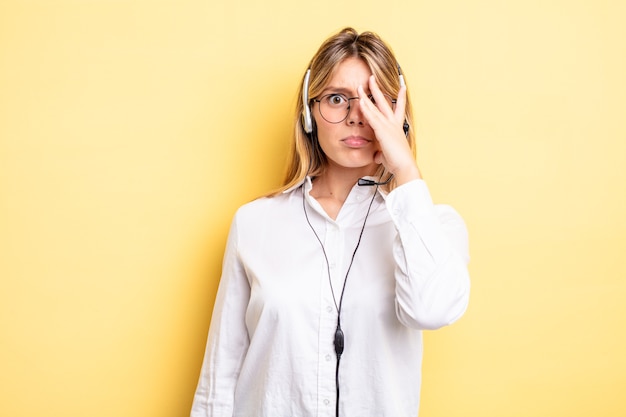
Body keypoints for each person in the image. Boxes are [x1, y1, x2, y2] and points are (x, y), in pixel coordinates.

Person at [191, 27, 470, 417]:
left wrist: (405, 167)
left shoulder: (434, 227)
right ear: (309, 113)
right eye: (337, 99)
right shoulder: (254, 223)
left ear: (398, 117)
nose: (357, 117)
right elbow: (219, 380)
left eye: (375, 101)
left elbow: (431, 310)